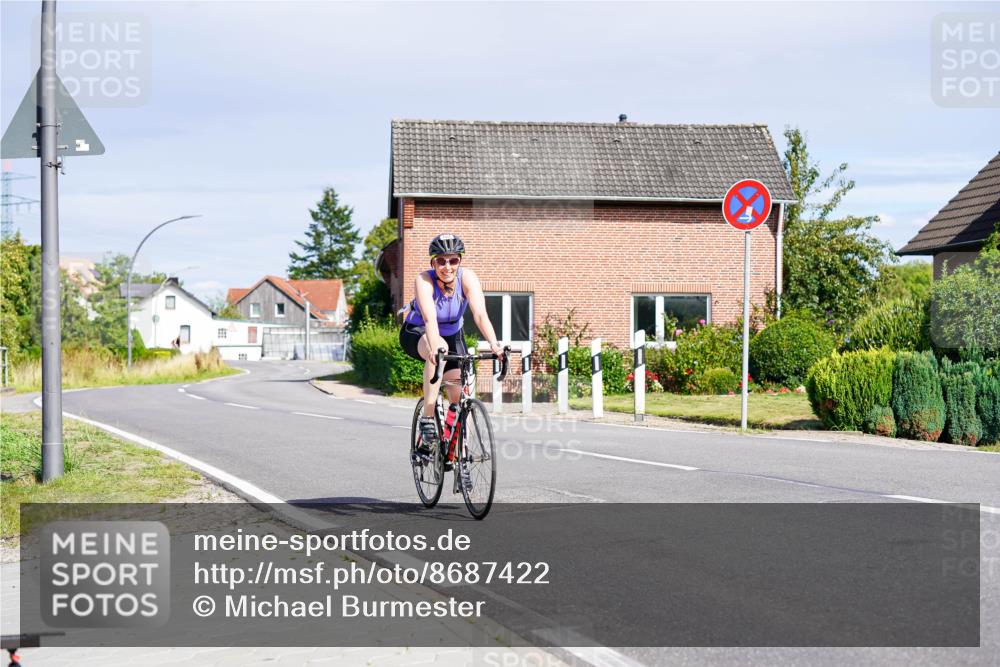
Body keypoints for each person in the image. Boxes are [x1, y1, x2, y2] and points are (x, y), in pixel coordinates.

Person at [398, 233, 503, 453]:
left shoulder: (468, 278)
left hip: (454, 333)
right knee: (440, 352)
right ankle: (427, 419)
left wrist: (494, 344)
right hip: (418, 332)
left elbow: (480, 314)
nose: (447, 266)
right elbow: (429, 319)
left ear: (459, 261)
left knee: (458, 397)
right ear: (433, 262)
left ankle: (455, 450)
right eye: (441, 261)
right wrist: (435, 346)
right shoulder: (424, 280)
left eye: (453, 260)